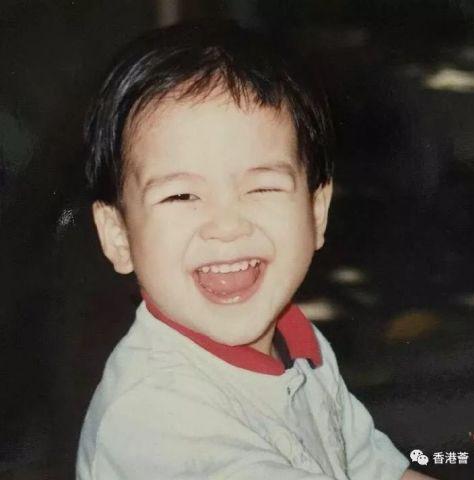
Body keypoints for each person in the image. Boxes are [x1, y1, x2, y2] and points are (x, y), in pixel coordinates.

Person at [76, 21, 433, 480]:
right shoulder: (154, 419)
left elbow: (373, 468)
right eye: (181, 195)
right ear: (118, 236)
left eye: (262, 187)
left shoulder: (299, 343)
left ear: (317, 213)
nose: (227, 226)